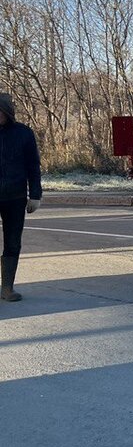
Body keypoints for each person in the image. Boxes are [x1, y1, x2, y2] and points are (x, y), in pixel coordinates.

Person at [0, 93, 42, 302]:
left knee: (13, 242)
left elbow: (33, 165)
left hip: (15, 197)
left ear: (8, 112)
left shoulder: (23, 133)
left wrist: (35, 194)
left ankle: (7, 287)